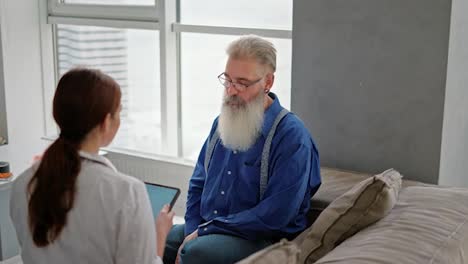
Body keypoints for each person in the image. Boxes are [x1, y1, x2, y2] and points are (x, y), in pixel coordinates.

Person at [164, 35, 322, 264]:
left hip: (261, 237)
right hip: (211, 228)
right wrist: (192, 230)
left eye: (242, 83)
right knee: (155, 239)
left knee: (197, 252)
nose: (231, 91)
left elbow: (275, 215)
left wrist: (202, 234)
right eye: (227, 80)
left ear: (268, 82)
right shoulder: (221, 123)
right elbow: (198, 184)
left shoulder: (292, 137)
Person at [10, 68, 174, 264]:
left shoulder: (22, 184)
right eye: (118, 113)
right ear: (106, 122)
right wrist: (160, 234)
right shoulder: (126, 192)